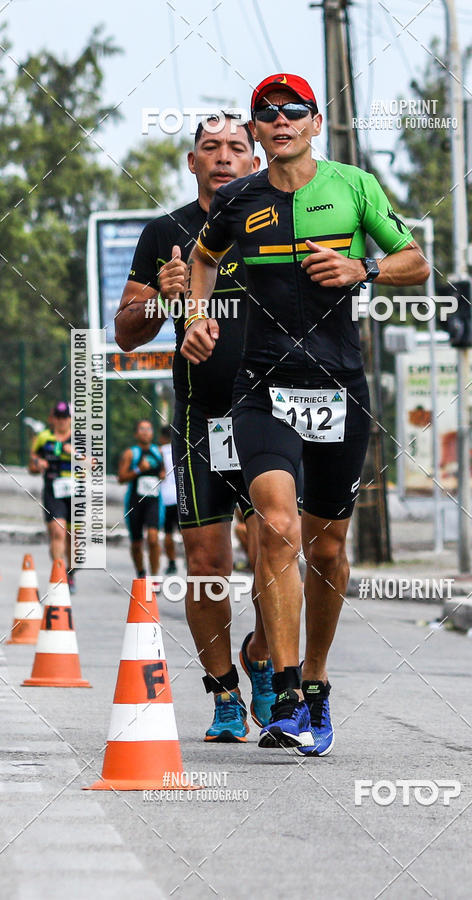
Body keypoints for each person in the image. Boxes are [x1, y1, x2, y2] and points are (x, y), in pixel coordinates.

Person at [182, 73, 430, 754]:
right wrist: (198, 316)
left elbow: (416, 262)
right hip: (261, 387)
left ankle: (315, 680)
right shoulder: (238, 199)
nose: (281, 119)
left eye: (295, 110)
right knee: (275, 525)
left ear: (315, 123)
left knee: (327, 549)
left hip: (339, 385)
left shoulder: (352, 187)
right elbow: (203, 261)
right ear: (257, 132)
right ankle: (286, 690)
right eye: (268, 112)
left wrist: (364, 272)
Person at [114, 114, 276, 743]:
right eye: (211, 148)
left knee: (274, 550)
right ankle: (224, 694)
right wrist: (160, 293)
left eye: (238, 147)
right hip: (200, 417)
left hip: (273, 412)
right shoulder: (166, 231)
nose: (225, 157)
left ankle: (263, 656)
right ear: (192, 162)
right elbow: (127, 335)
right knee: (208, 562)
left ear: (255, 158)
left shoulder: (278, 219)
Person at [29, 400, 76, 591]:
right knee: (58, 532)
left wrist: (75, 454)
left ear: (70, 419)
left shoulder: (80, 438)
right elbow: (32, 464)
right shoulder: (43, 438)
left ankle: (71, 573)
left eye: (65, 417)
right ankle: (59, 574)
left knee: (73, 538)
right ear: (53, 419)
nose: (62, 421)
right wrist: (37, 465)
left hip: (76, 491)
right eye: (58, 417)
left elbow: (95, 464)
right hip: (52, 490)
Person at [118, 419, 165, 581]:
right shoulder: (131, 453)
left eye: (149, 429)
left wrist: (162, 475)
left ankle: (155, 575)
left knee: (153, 538)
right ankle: (141, 573)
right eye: (142, 429)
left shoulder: (158, 452)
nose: (145, 432)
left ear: (152, 433)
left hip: (154, 501)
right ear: (136, 433)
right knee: (137, 543)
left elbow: (164, 471)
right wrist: (139, 469)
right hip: (135, 502)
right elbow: (121, 478)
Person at [158, 425, 179, 575]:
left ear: (162, 437)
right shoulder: (180, 450)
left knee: (168, 533)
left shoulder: (159, 452)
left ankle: (172, 562)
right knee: (186, 532)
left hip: (166, 497)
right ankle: (191, 559)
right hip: (181, 496)